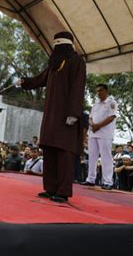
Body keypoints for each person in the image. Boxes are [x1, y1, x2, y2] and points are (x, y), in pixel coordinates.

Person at [17, 31, 86, 202]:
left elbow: (78, 88)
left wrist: (73, 113)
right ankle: (50, 188)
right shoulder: (54, 65)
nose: (57, 48)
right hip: (51, 115)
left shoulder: (77, 61)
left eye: (59, 44)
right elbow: (39, 79)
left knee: (64, 153)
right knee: (49, 150)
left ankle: (63, 191)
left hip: (66, 115)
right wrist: (24, 82)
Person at [82, 84, 117, 190]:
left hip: (105, 133)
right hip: (93, 133)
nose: (98, 93)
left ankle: (108, 182)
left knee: (106, 157)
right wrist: (92, 125)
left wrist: (98, 126)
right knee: (92, 156)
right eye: (97, 91)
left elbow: (111, 117)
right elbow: (90, 117)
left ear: (106, 91)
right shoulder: (95, 104)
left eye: (100, 91)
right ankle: (90, 179)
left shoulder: (111, 102)